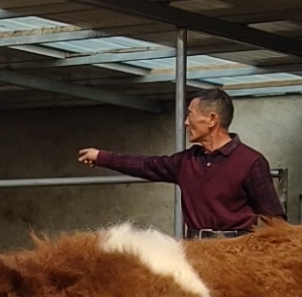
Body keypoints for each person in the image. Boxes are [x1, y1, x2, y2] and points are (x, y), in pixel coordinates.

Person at [78, 85, 285, 237]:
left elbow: (276, 222)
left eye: (190, 115)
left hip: (235, 257)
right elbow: (145, 164)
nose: (186, 122)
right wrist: (101, 156)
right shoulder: (187, 161)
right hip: (194, 253)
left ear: (212, 120)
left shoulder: (250, 162)